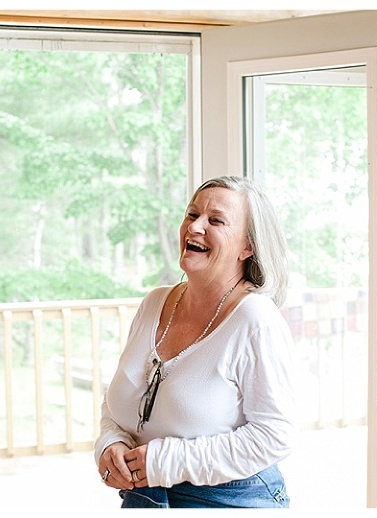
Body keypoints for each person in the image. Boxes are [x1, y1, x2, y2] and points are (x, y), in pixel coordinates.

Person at [94, 175, 297, 508]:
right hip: (144, 496)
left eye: (215, 220)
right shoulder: (154, 303)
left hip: (228, 499)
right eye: (192, 214)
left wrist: (165, 461)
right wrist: (110, 443)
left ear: (247, 247)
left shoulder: (256, 319)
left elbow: (274, 436)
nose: (195, 227)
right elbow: (119, 401)